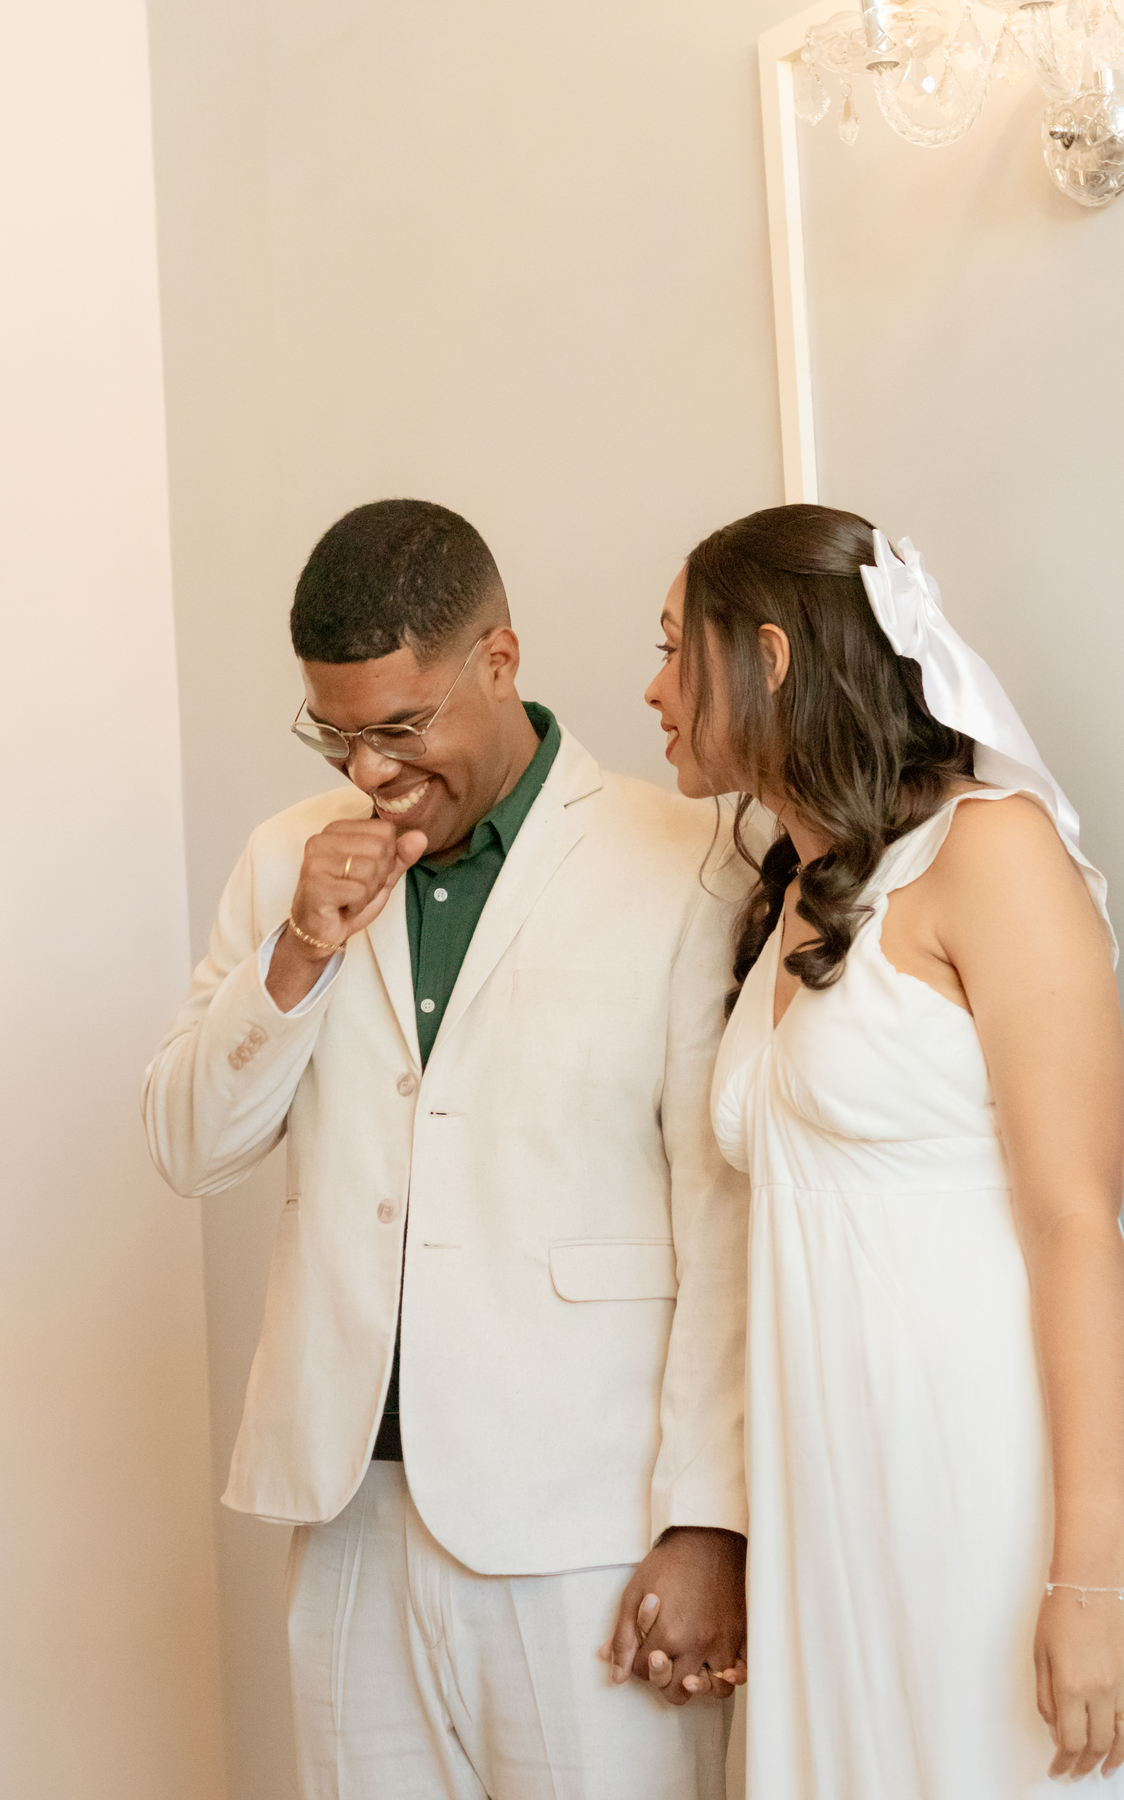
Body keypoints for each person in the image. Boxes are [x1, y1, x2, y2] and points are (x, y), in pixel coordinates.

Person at [143, 499, 753, 1800]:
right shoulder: (282, 862)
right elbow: (188, 1147)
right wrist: (298, 951)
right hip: (345, 1512)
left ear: (499, 661)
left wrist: (709, 1521)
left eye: (400, 727)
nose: (368, 770)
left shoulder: (682, 856)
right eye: (337, 733)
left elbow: (722, 1219)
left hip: (587, 1521)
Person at [644, 502, 1124, 1798]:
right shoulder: (788, 899)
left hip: (996, 1496)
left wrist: (1088, 1576)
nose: (654, 689)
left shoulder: (991, 851)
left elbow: (1077, 1222)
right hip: (835, 1506)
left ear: (769, 656)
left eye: (674, 649)